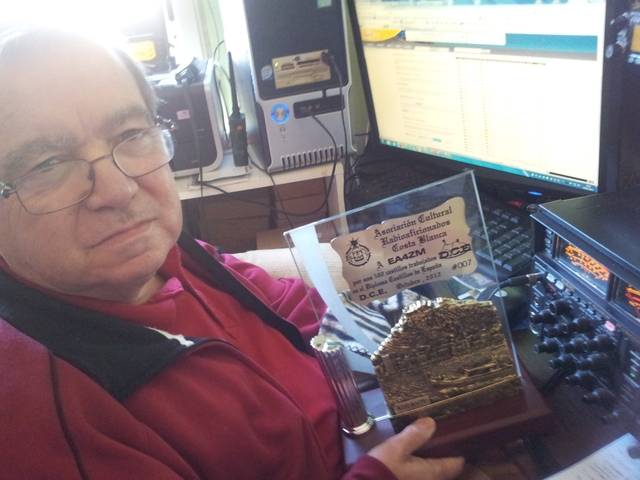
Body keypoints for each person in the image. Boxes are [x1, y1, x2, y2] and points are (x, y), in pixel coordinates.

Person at [0, 23, 465, 480]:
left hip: (375, 426)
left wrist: (411, 332)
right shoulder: (44, 415)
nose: (119, 190)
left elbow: (285, 306)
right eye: (48, 164)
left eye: (130, 134)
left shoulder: (168, 255)